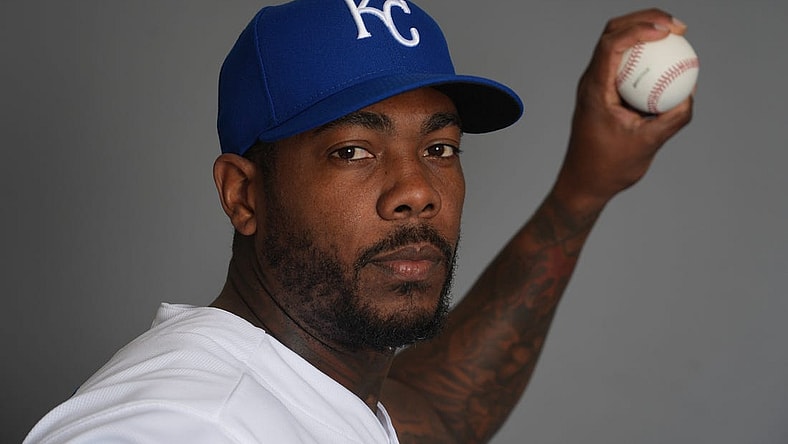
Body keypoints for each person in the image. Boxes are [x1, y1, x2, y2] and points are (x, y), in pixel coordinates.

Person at [24, 0, 692, 443]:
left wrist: (583, 188)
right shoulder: (181, 423)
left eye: (440, 149)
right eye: (353, 151)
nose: (416, 191)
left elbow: (437, 412)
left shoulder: (322, 394)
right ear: (243, 195)